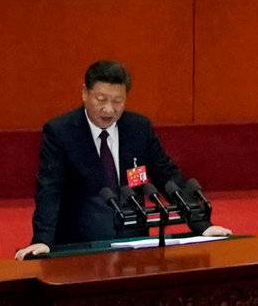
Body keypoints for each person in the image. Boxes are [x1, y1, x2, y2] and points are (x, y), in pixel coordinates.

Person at [21, 61, 198, 257]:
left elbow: (166, 175)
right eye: (101, 99)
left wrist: (202, 224)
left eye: (117, 101)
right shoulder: (60, 132)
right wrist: (42, 240)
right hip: (81, 248)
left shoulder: (139, 128)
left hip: (134, 247)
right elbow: (49, 189)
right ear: (84, 93)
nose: (109, 110)